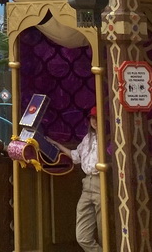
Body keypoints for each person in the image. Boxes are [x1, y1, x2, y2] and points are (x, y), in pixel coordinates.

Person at [49, 107, 103, 252]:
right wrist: (58, 145)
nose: (95, 121)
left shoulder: (109, 139)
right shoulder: (88, 139)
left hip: (102, 181)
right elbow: (76, 156)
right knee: (82, 236)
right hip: (87, 184)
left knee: (105, 232)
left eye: (98, 118)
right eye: (92, 118)